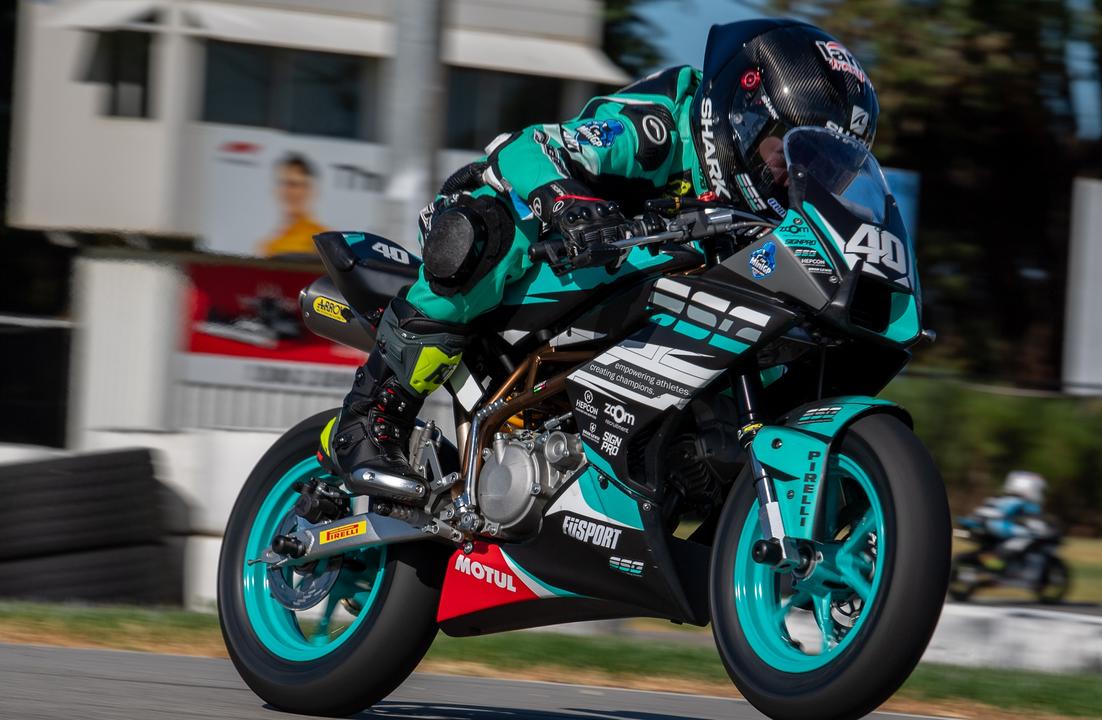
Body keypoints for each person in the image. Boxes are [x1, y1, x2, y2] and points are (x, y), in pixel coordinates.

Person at [320, 19, 881, 500]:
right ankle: (372, 414)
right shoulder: (658, 129)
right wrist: (567, 201)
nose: (790, 172)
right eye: (784, 147)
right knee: (482, 235)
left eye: (820, 165)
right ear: (745, 116)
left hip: (628, 289)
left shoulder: (767, 209)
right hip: (540, 235)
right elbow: (532, 148)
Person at [259, 153, 329, 258]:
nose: (287, 191)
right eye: (283, 183)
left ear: (311, 191)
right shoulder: (269, 242)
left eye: (294, 185)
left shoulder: (320, 239)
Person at [971, 471, 1049, 562]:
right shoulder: (1026, 504)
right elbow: (1035, 521)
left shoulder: (1001, 499)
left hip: (984, 524)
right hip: (1000, 526)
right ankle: (998, 562)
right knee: (1031, 534)